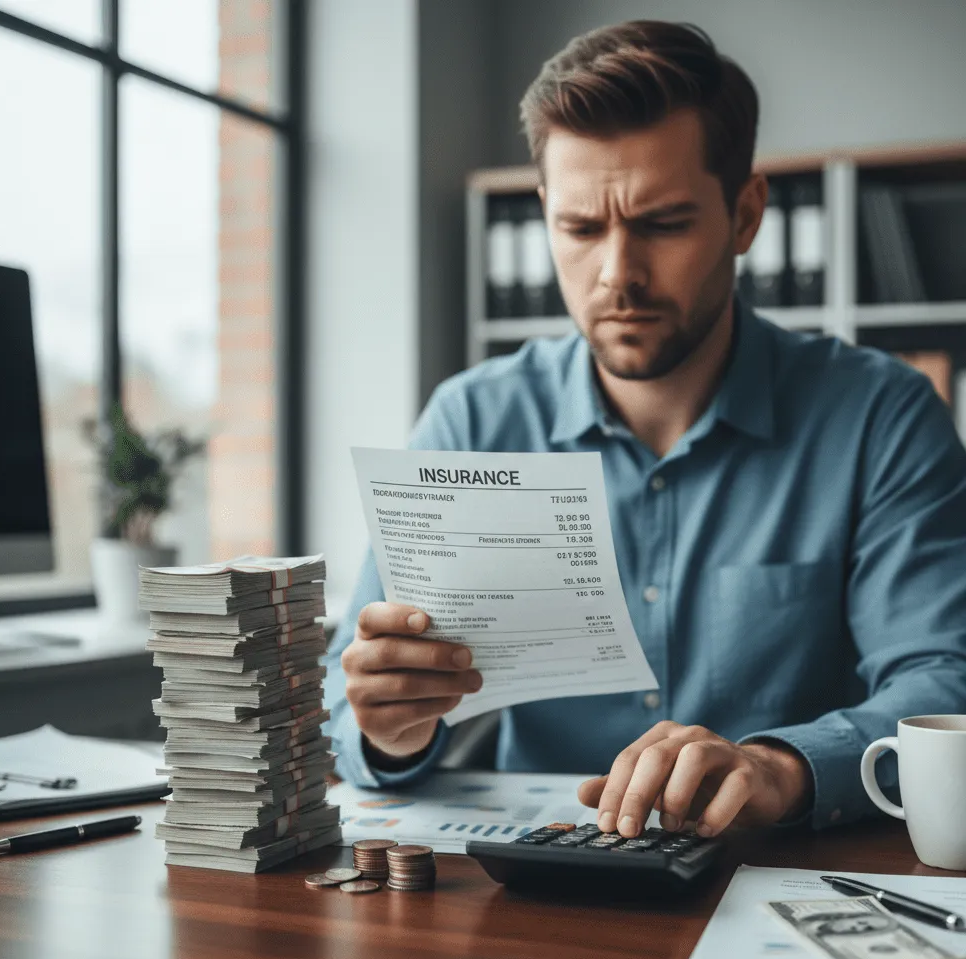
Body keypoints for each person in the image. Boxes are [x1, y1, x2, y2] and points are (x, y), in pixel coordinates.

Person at [323, 20, 966, 839]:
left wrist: (781, 767)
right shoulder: (471, 420)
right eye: (581, 229)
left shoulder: (883, 418)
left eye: (661, 224)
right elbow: (342, 712)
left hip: (775, 872)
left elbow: (944, 684)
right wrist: (389, 728)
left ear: (745, 216)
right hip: (533, 894)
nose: (617, 274)